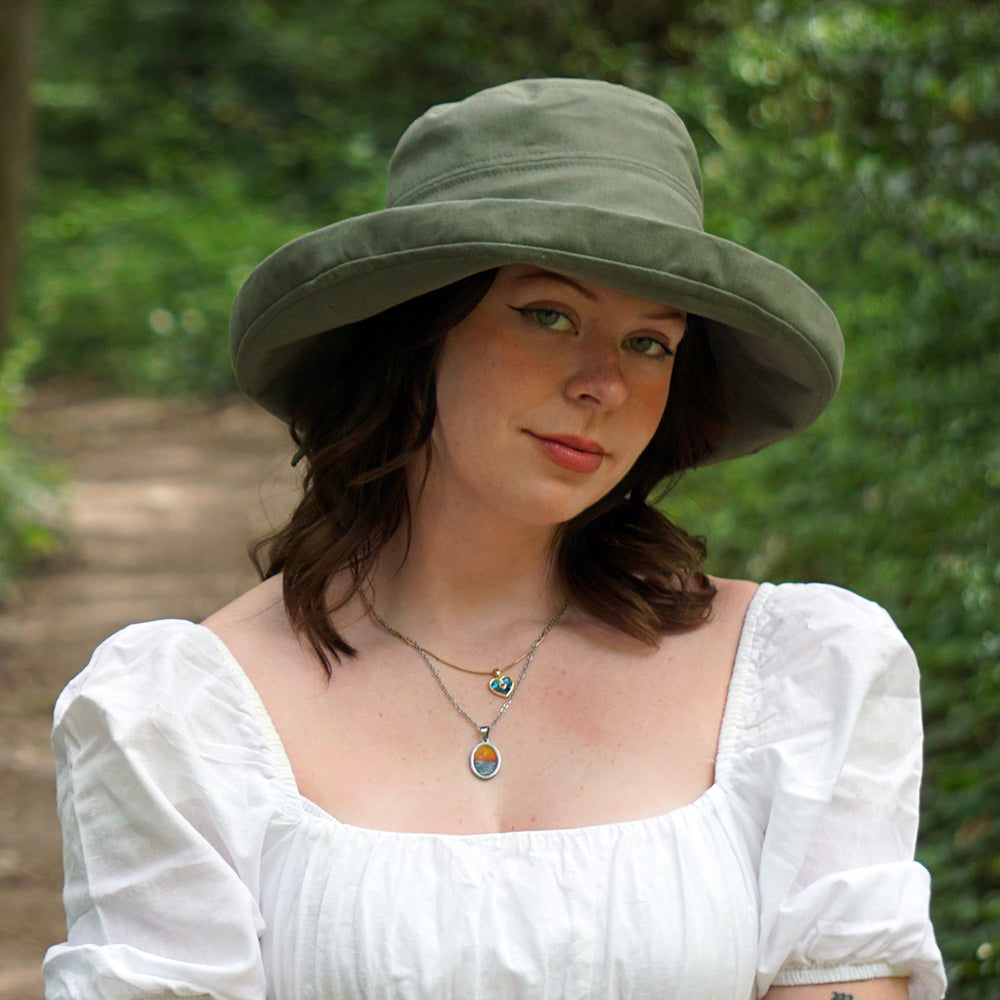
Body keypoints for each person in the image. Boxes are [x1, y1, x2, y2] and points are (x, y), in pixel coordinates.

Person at [43, 78, 946, 999]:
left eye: (650, 343)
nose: (604, 383)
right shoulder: (183, 715)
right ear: (414, 334)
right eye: (550, 315)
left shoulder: (797, 676)